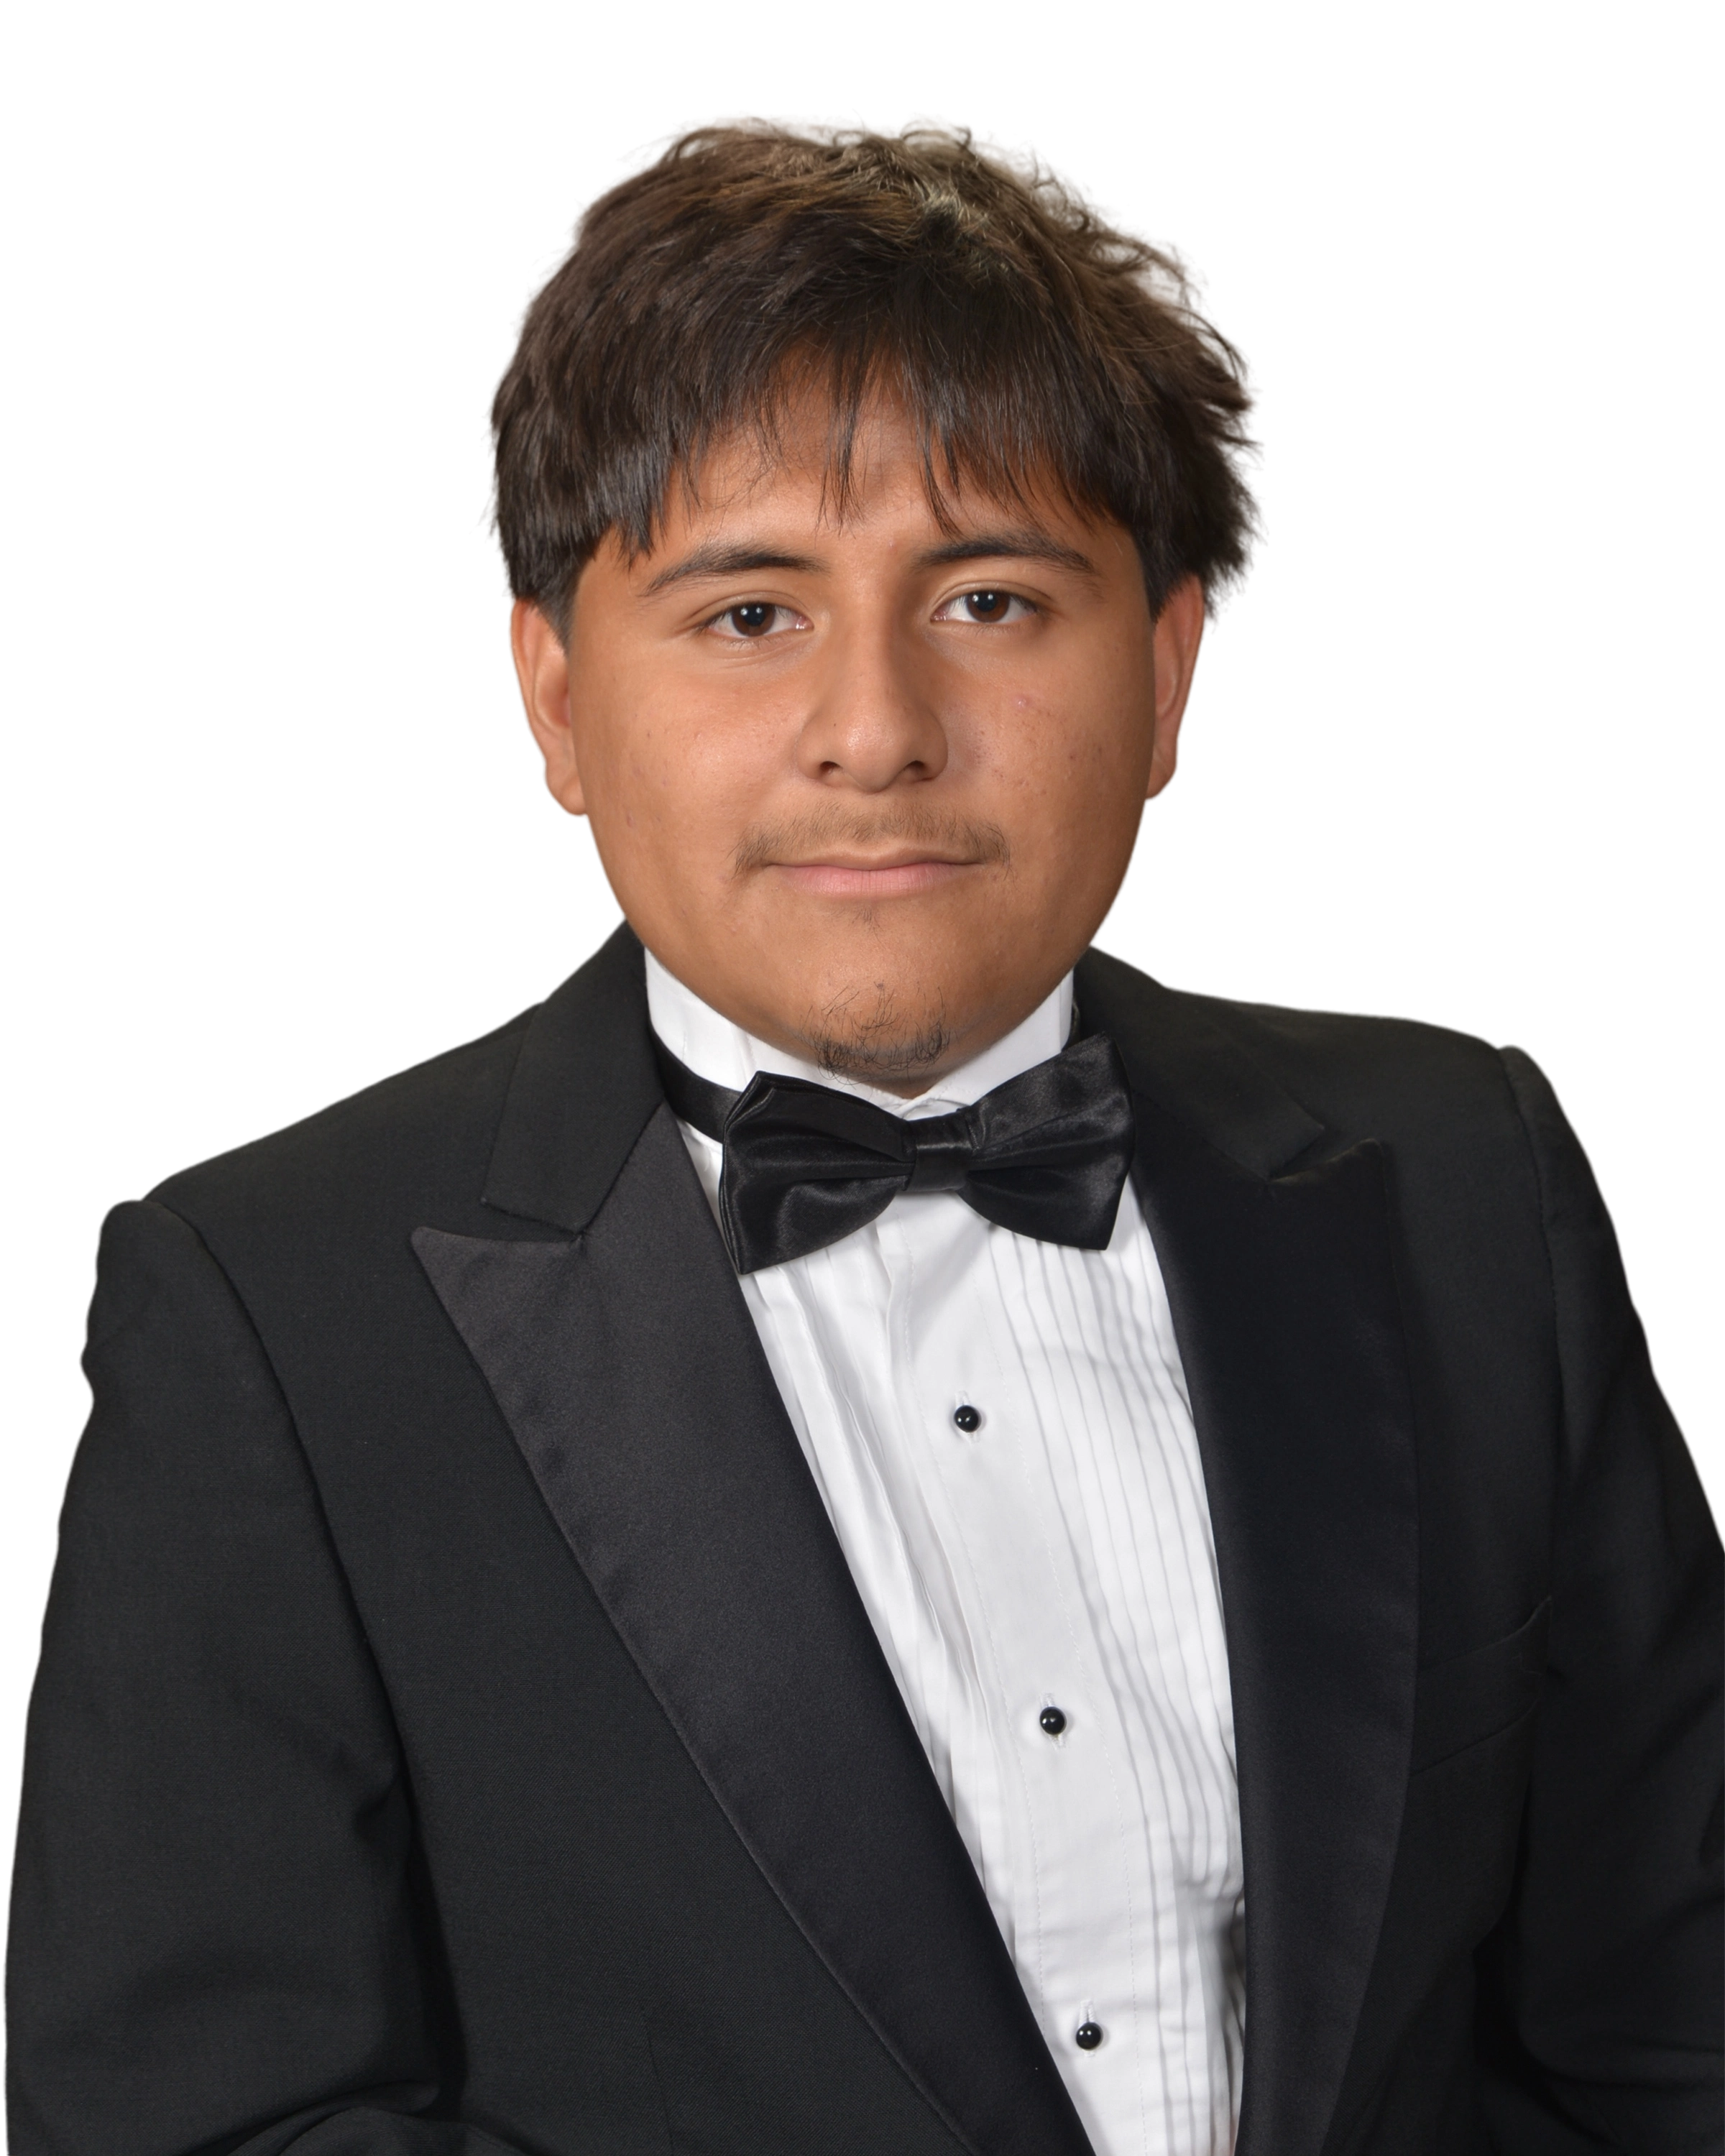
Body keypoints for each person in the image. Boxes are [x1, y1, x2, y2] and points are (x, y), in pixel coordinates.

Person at [6, 109, 1720, 2156]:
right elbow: (200, 2124)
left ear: (1170, 670)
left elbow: (1671, 2032)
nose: (877, 730)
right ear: (553, 695)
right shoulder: (271, 1305)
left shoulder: (1467, 1170)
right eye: (750, 614)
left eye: (990, 599)